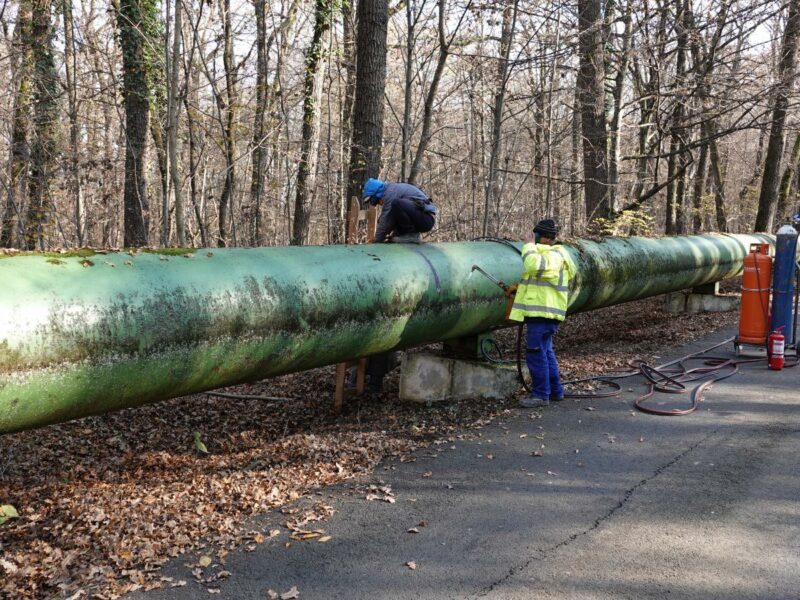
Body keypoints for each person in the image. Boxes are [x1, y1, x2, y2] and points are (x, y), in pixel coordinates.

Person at [508, 219, 572, 408]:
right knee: (546, 352)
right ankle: (555, 391)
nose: (532, 239)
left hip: (543, 314)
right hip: (543, 314)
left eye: (535, 236)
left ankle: (540, 395)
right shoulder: (550, 254)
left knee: (535, 354)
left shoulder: (554, 255)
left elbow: (534, 267)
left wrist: (528, 246)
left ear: (544, 237)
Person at [362, 178, 437, 243]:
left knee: (397, 204)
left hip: (426, 219)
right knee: (388, 214)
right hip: (420, 217)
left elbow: (385, 221)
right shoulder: (391, 191)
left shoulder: (390, 193)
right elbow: (389, 220)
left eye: (374, 201)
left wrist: (377, 241)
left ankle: (411, 235)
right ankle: (403, 234)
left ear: (377, 193)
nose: (377, 204)